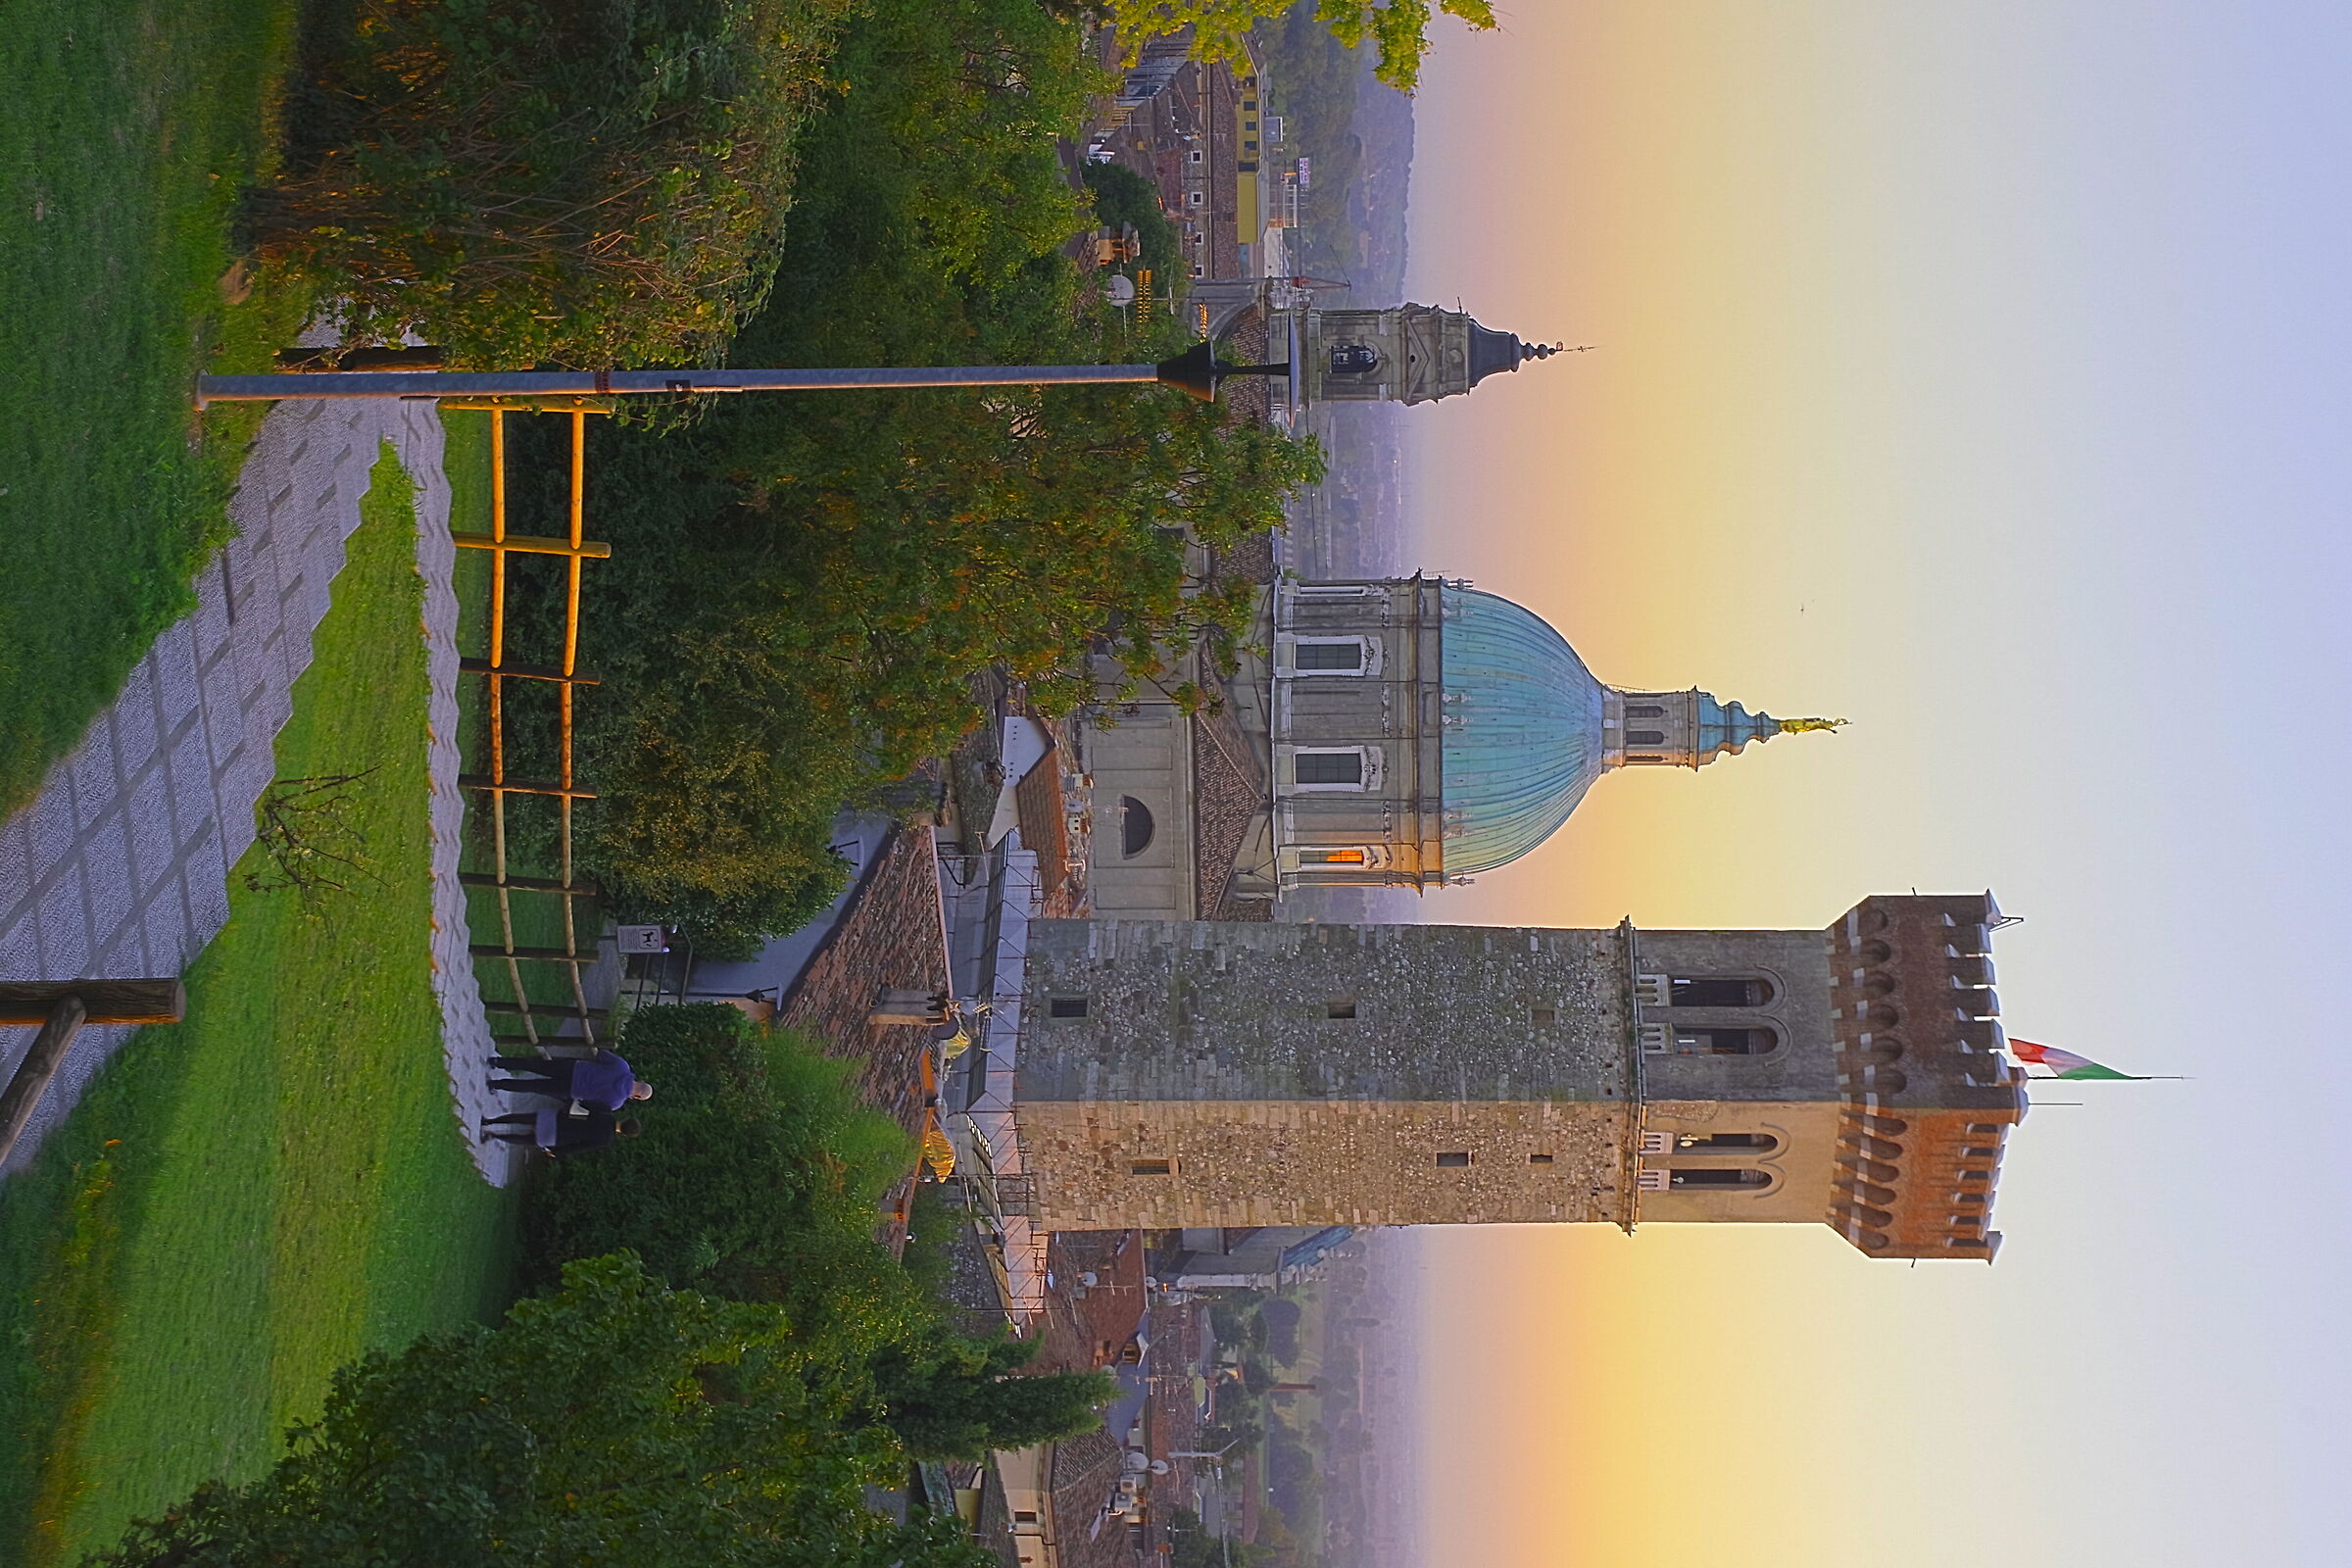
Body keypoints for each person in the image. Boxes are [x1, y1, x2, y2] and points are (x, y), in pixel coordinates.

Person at [488, 1048, 652, 1111]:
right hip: (571, 1089)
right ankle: (497, 1084)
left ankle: (498, 1062)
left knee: (534, 1065)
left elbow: (601, 1054)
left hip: (573, 1068)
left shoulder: (622, 1066)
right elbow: (590, 1106)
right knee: (533, 1086)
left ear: (641, 1081)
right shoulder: (615, 1102)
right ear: (637, 1097)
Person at [480, 1107, 642, 1158]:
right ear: (624, 1134)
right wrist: (557, 1152)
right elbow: (579, 1147)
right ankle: (494, 1136)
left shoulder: (605, 1115)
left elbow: (583, 1111)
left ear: (625, 1119)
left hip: (560, 1120)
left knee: (523, 1118)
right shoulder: (605, 1140)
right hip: (560, 1137)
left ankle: (490, 1121)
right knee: (526, 1139)